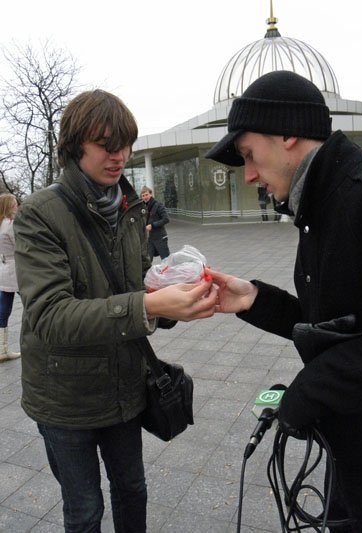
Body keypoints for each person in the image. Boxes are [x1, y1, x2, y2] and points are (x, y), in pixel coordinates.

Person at [13, 89, 217, 533]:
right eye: (107, 145)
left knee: (133, 490)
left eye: (125, 144)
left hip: (125, 388)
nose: (120, 156)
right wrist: (147, 304)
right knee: (85, 510)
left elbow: (136, 286)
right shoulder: (39, 214)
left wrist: (174, 297)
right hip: (64, 399)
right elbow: (49, 316)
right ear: (74, 145)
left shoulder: (128, 207)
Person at [205, 70, 362, 532]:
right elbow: (337, 324)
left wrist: (311, 388)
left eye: (250, 154)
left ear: (288, 133)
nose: (249, 174)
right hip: (352, 453)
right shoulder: (319, 205)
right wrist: (254, 299)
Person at [0, 193, 20, 362]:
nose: (17, 206)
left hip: (4, 268)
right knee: (34, 303)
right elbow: (19, 246)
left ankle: (2, 348)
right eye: (14, 204)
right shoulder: (10, 225)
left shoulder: (0, 224)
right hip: (16, 268)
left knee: (4, 308)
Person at [141, 185, 170, 261]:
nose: (145, 197)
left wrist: (152, 225)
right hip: (149, 240)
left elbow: (166, 219)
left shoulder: (158, 205)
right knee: (147, 262)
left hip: (160, 238)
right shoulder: (143, 207)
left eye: (146, 195)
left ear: (151, 194)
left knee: (166, 261)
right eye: (143, 196)